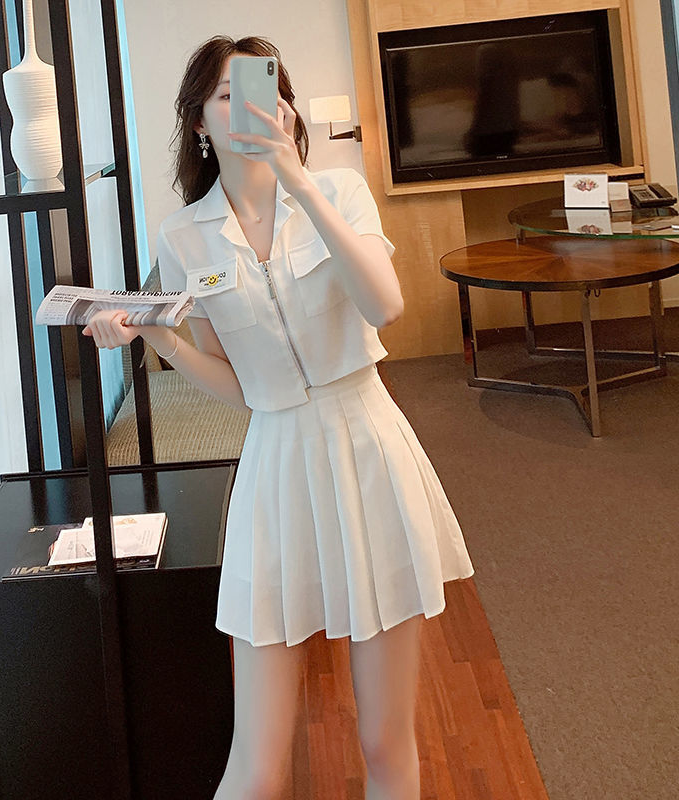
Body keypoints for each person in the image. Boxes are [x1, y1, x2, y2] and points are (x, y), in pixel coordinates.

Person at [82, 34, 474, 800]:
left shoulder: (340, 192)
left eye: (263, 92)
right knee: (256, 765)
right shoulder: (184, 236)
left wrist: (298, 177)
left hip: (367, 448)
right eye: (227, 96)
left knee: (383, 741)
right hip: (275, 466)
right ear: (199, 120)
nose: (248, 109)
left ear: (286, 109)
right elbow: (239, 385)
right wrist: (156, 335)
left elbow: (385, 305)